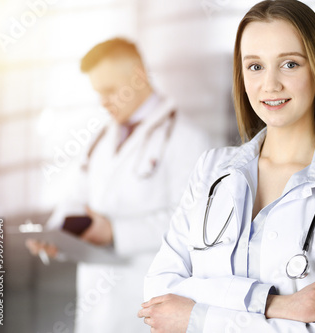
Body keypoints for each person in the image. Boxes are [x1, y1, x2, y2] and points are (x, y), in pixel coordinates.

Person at [139, 0, 315, 332]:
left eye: (289, 64)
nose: (270, 85)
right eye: (255, 66)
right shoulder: (211, 169)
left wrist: (197, 317)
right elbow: (160, 293)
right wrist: (274, 304)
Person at [26, 38, 212, 333]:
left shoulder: (188, 141)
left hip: (147, 298)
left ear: (138, 76)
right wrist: (56, 233)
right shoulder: (100, 137)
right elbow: (76, 196)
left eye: (110, 91)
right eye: (98, 93)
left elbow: (192, 224)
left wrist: (115, 232)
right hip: (95, 301)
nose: (103, 102)